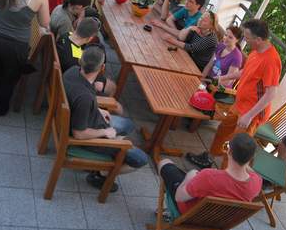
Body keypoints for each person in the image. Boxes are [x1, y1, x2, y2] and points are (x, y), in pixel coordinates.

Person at [188, 19, 282, 167]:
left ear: (258, 39)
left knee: (236, 146)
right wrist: (223, 77)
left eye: (247, 37)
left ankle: (224, 177)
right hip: (239, 104)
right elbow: (245, 71)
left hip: (252, 113)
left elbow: (270, 94)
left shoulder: (271, 61)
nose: (245, 40)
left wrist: (249, 116)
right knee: (222, 132)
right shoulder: (256, 51)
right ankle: (209, 158)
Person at [63, 45, 148, 191]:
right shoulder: (85, 98)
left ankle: (111, 148)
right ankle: (100, 175)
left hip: (86, 117)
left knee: (127, 125)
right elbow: (79, 133)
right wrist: (106, 134)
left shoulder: (71, 72)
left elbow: (81, 102)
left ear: (80, 60)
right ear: (102, 68)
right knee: (140, 159)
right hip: (86, 137)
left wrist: (97, 109)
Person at [159, 133, 262, 214]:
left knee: (165, 163)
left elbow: (179, 197)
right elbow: (249, 173)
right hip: (216, 222)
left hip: (189, 215)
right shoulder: (257, 182)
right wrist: (244, 161)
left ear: (229, 152)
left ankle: (170, 211)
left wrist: (189, 177)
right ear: (251, 158)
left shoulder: (208, 176)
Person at [56, 17, 121, 103]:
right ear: (90, 38)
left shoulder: (65, 35)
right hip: (73, 84)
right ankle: (104, 109)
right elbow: (85, 75)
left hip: (62, 72)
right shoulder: (76, 59)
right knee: (112, 86)